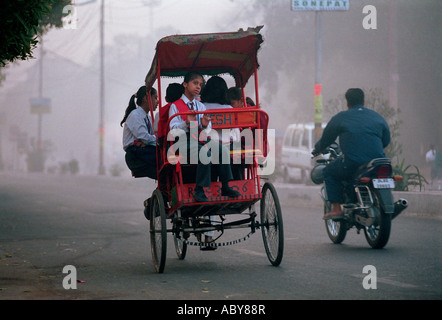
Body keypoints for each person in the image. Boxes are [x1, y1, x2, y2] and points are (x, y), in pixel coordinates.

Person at [312, 88, 391, 220]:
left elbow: (327, 139)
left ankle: (337, 209)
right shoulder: (377, 117)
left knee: (329, 172)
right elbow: (386, 140)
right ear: (364, 101)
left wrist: (317, 149)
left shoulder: (341, 117)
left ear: (347, 103)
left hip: (353, 162)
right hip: (378, 162)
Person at [121, 86, 159, 178]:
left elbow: (150, 137)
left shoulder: (148, 118)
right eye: (155, 98)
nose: (157, 101)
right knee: (166, 160)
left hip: (145, 150)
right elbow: (144, 137)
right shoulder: (135, 115)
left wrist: (154, 139)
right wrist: (158, 140)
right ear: (146, 98)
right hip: (136, 154)